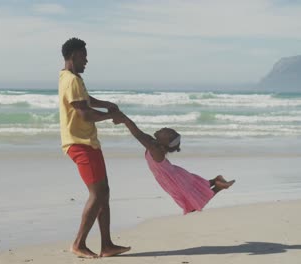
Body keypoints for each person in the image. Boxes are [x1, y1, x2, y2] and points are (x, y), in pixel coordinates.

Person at [58, 37, 131, 258]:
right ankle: (78, 243)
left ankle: (107, 245)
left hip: (87, 142)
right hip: (79, 144)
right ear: (73, 56)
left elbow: (85, 100)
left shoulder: (72, 78)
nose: (87, 60)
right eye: (83, 55)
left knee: (104, 193)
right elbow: (84, 113)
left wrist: (106, 104)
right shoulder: (71, 80)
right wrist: (111, 116)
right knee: (97, 194)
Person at [116, 113, 235, 214]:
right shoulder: (153, 144)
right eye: (167, 129)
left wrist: (124, 119)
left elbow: (138, 135)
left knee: (192, 205)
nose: (165, 128)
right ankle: (216, 180)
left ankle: (218, 186)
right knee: (194, 191)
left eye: (167, 132)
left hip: (172, 178)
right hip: (175, 174)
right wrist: (124, 118)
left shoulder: (156, 150)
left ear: (164, 143)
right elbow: (139, 133)